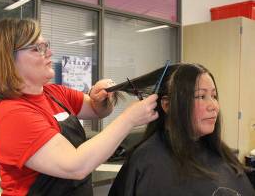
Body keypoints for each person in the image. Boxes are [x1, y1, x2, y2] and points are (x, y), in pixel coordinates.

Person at [0, 18, 159, 196]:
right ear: (9, 60)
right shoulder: (12, 114)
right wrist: (130, 118)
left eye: (45, 44)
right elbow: (75, 165)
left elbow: (98, 111)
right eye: (38, 48)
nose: (49, 52)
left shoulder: (54, 93)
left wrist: (100, 96)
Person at [108, 63, 255, 196]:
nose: (214, 106)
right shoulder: (148, 164)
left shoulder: (220, 153)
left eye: (214, 96)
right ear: (167, 105)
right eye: (201, 96)